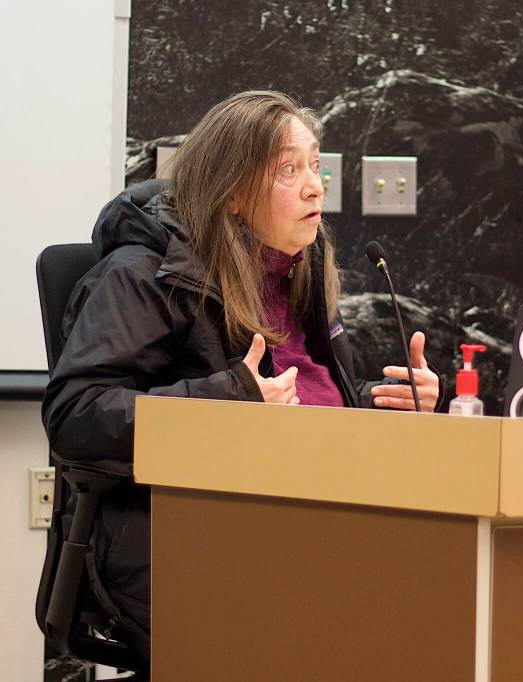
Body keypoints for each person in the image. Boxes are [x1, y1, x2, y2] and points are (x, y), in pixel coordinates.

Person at [41, 90, 440, 659]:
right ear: (231, 190)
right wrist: (229, 398)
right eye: (288, 170)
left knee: (449, 579)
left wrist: (387, 402)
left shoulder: (300, 274)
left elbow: (302, 408)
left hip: (304, 520)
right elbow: (75, 416)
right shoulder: (142, 275)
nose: (314, 186)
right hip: (180, 534)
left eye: (314, 166)